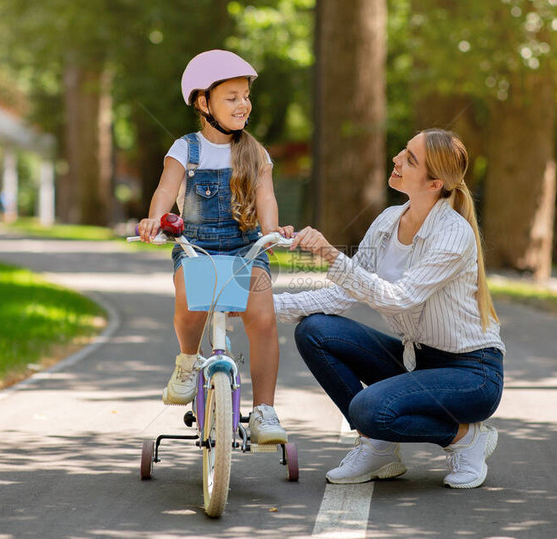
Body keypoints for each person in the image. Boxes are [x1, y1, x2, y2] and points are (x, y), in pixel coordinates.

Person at [274, 129, 505, 487]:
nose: (396, 159)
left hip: (471, 374)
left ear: (434, 183)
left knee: (368, 408)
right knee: (314, 330)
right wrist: (264, 306)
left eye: (410, 159)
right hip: (417, 359)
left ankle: (465, 437)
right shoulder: (387, 221)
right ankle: (378, 447)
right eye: (403, 151)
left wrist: (331, 257)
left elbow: (399, 297)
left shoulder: (453, 234)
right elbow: (342, 296)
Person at [138, 50, 293, 445]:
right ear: (204, 103)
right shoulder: (185, 149)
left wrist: (272, 232)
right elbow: (165, 190)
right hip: (196, 246)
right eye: (232, 97)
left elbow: (266, 199)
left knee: (263, 317)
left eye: (246, 96)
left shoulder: (254, 152)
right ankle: (188, 361)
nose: (244, 104)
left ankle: (264, 410)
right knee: (190, 299)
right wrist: (155, 219)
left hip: (246, 247)